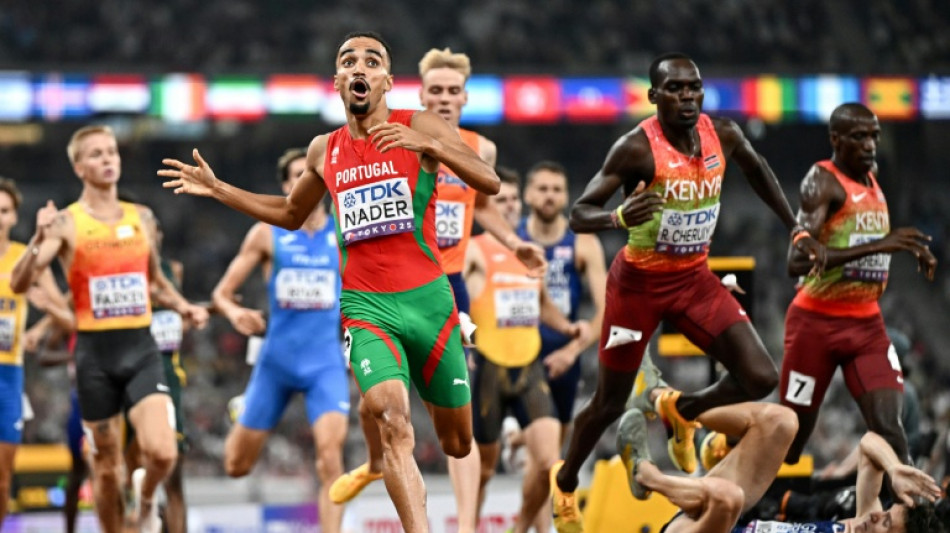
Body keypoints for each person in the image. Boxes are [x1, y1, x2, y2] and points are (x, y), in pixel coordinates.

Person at [160, 31, 500, 533]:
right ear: (339, 82)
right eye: (348, 61)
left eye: (372, 60)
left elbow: (488, 181)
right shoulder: (324, 150)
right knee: (391, 421)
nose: (359, 67)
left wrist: (428, 144)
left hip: (430, 301)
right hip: (367, 307)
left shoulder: (418, 124)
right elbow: (290, 212)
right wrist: (219, 189)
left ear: (386, 80)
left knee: (457, 442)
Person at [549, 52, 825, 532]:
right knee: (610, 403)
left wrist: (795, 228)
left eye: (694, 87)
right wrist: (617, 217)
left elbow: (759, 171)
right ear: (654, 97)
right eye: (675, 89)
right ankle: (567, 483)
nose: (687, 97)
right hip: (638, 286)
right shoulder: (635, 149)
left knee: (760, 377)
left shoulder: (726, 135)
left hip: (694, 279)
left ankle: (681, 409)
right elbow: (578, 212)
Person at [329, 48, 546, 533]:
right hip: (386, 284)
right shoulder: (401, 131)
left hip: (446, 285)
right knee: (380, 404)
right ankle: (378, 461)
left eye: (453, 92)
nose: (444, 100)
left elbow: (481, 205)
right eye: (436, 92)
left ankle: (446, 470)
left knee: (458, 433)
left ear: (465, 98)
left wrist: (514, 244)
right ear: (417, 92)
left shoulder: (478, 148)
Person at [12, 125, 209, 533]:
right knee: (104, 469)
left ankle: (146, 499)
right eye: (97, 154)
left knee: (163, 451)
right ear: (79, 167)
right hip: (94, 357)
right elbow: (18, 282)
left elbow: (155, 282)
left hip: (139, 347)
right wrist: (36, 236)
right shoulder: (67, 223)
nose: (108, 159)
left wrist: (184, 306)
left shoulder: (142, 218)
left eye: (112, 152)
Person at [781, 103, 937, 466]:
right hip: (815, 325)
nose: (869, 145)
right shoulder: (822, 182)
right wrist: (880, 245)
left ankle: (914, 518)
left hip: (866, 326)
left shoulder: (874, 176)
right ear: (835, 139)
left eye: (874, 137)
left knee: (891, 430)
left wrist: (905, 248)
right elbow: (797, 262)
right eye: (859, 137)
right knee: (790, 443)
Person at [211, 148, 349, 533]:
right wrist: (234, 311)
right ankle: (243, 411)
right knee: (236, 466)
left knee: (330, 458)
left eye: (311, 174)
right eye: (294, 176)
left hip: (325, 362)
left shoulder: (343, 230)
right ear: (286, 186)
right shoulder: (267, 233)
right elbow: (222, 293)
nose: (304, 181)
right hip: (277, 361)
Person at [464, 167, 588, 533]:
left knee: (550, 460)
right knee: (483, 471)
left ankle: (521, 529)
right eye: (500, 200)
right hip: (489, 369)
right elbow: (457, 294)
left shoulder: (528, 252)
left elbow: (543, 304)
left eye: (514, 200)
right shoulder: (476, 249)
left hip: (529, 367)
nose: (509, 207)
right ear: (487, 207)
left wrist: (567, 327)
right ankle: (469, 526)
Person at [616, 399, 944, 532]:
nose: (875, 516)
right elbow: (870, 443)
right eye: (886, 514)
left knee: (728, 497)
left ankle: (646, 474)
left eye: (885, 526)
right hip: (715, 525)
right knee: (782, 422)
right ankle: (670, 404)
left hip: (721, 511)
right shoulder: (863, 518)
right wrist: (894, 468)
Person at [0, 178, 72, 529]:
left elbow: (64, 313)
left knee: (2, 476)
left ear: (14, 217)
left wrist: (39, 328)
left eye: (5, 211)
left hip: (8, 374)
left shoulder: (24, 258)